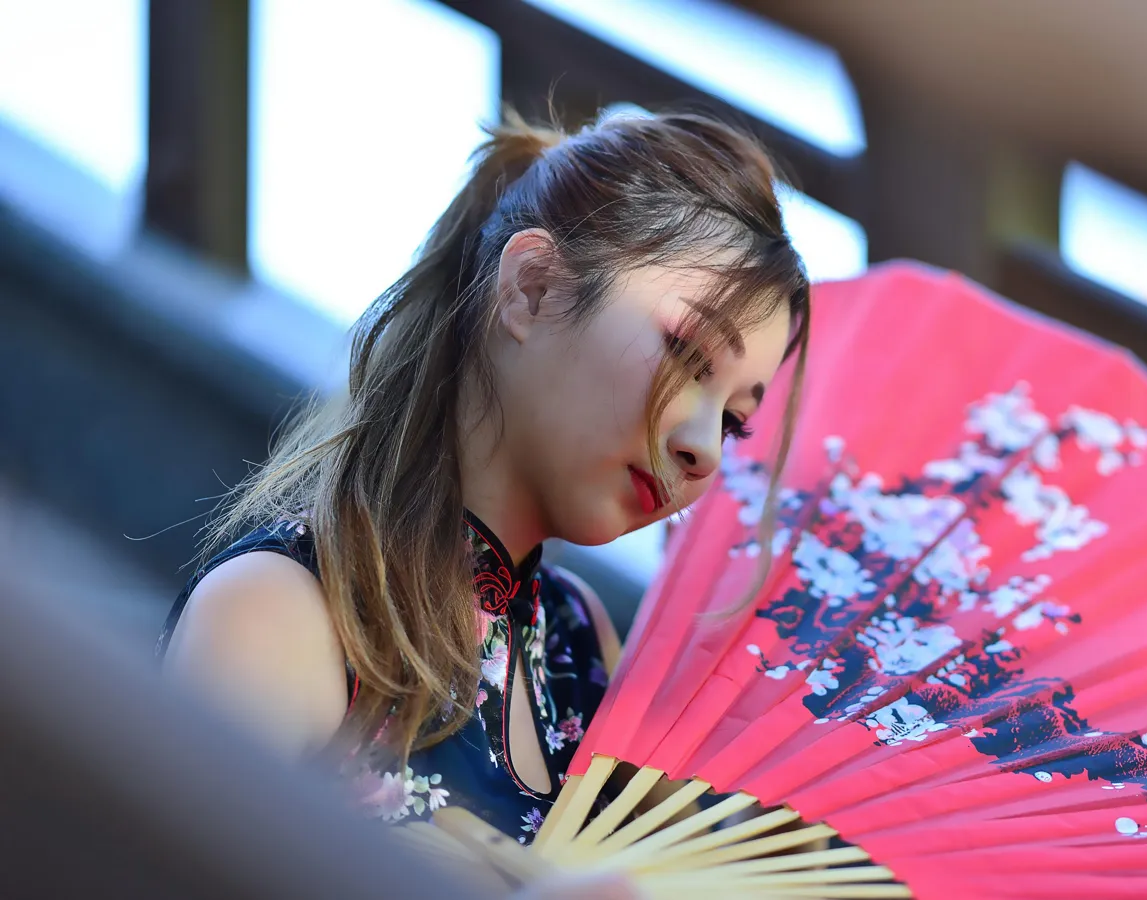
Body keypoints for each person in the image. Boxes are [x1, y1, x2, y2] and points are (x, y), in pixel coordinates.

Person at [156, 109, 810, 884]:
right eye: (685, 351)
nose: (703, 445)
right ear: (531, 288)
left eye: (735, 421)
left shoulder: (579, 642)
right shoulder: (283, 613)